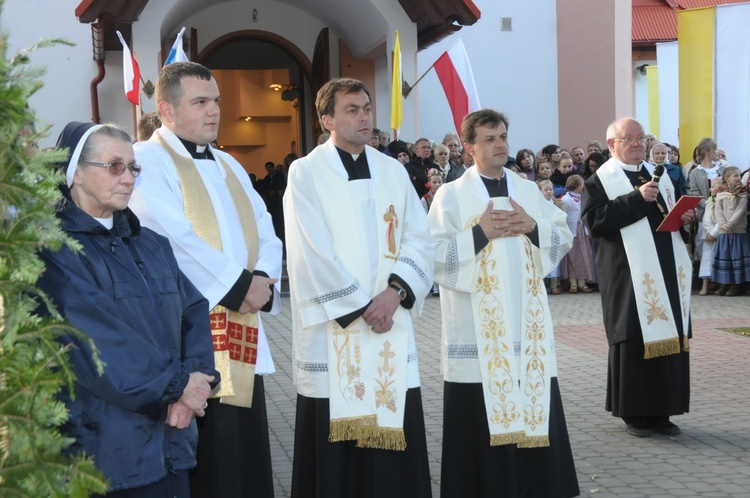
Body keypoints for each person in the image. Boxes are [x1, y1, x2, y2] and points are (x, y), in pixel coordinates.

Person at [39, 122, 218, 497]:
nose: (128, 177)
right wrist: (177, 388)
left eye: (133, 167)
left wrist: (197, 381)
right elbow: (94, 340)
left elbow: (193, 311)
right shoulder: (56, 251)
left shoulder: (152, 244)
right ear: (76, 174)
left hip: (172, 439)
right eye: (114, 166)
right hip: (108, 451)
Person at [130, 61, 282, 498]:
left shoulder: (229, 163)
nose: (214, 110)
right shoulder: (147, 160)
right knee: (206, 452)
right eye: (201, 102)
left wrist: (262, 280)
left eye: (216, 100)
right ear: (168, 110)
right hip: (189, 330)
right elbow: (169, 237)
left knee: (243, 446)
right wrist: (239, 287)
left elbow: (265, 226)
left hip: (244, 318)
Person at [284, 77, 434, 498]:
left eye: (367, 107)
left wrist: (395, 293)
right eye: (352, 109)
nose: (365, 115)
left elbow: (418, 237)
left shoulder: (392, 169)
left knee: (392, 422)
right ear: (327, 118)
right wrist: (360, 307)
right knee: (336, 441)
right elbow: (309, 249)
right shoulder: (307, 172)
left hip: (390, 317)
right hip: (337, 326)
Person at [429, 109, 578, 498]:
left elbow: (563, 237)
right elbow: (433, 256)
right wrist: (479, 234)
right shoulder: (451, 195)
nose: (500, 145)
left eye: (503, 137)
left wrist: (534, 227)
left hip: (526, 328)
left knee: (533, 401)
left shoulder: (527, 189)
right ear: (469, 147)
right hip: (477, 332)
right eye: (490, 138)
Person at [581, 117, 694, 438]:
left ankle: (663, 411)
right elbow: (594, 222)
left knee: (670, 335)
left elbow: (666, 218)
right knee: (633, 336)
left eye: (640, 138)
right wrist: (634, 198)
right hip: (627, 273)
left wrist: (684, 217)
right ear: (612, 145)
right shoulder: (599, 181)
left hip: (667, 267)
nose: (636, 144)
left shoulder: (661, 176)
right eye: (628, 139)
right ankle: (634, 413)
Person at [711, 166, 750, 296]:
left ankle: (736, 285)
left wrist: (730, 224)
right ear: (727, 178)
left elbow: (740, 211)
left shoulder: (743, 193)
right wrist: (722, 224)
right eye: (735, 176)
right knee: (726, 258)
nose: (739, 178)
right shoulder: (721, 193)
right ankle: (724, 283)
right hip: (724, 232)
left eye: (739, 175)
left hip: (738, 231)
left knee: (736, 258)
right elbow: (718, 210)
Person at [561, 174, 596, 293]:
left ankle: (582, 281)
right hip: (572, 230)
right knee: (572, 257)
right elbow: (563, 215)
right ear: (580, 186)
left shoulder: (583, 197)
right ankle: (573, 283)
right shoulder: (565, 199)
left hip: (581, 229)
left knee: (583, 256)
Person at [539, 179, 564, 294]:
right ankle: (542, 285)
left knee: (554, 257)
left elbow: (562, 217)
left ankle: (554, 285)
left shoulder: (558, 203)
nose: (549, 192)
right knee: (542, 258)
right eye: (546, 190)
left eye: (550, 189)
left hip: (554, 233)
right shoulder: (537, 204)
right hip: (543, 234)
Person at [698, 177, 723, 295]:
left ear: (720, 188)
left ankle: (720, 284)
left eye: (713, 186)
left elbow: (722, 220)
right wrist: (709, 232)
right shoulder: (709, 201)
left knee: (720, 259)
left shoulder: (724, 200)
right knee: (707, 259)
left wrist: (714, 233)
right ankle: (705, 285)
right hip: (708, 236)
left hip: (719, 234)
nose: (710, 188)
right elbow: (706, 218)